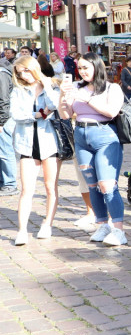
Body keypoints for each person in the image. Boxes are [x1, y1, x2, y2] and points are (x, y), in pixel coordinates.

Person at [58, 53, 130, 247]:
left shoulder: (111, 87)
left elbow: (112, 111)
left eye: (86, 68)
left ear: (97, 67)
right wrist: (62, 96)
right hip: (81, 135)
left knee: (107, 184)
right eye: (79, 68)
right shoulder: (76, 87)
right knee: (92, 185)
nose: (82, 72)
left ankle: (118, 230)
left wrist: (86, 99)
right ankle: (102, 224)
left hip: (105, 136)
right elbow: (66, 115)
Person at [10, 57, 60, 245]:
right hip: (27, 144)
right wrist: (39, 114)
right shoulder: (19, 90)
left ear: (34, 68)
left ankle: (47, 223)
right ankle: (22, 230)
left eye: (26, 70)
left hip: (49, 142)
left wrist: (46, 86)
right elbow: (16, 114)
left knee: (50, 187)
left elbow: (55, 105)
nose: (23, 75)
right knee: (26, 189)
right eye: (19, 72)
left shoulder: (51, 85)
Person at [0, 55, 16, 196]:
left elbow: (4, 99)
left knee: (5, 151)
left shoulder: (2, 73)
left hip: (4, 118)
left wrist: (2, 122)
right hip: (3, 117)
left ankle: (10, 184)